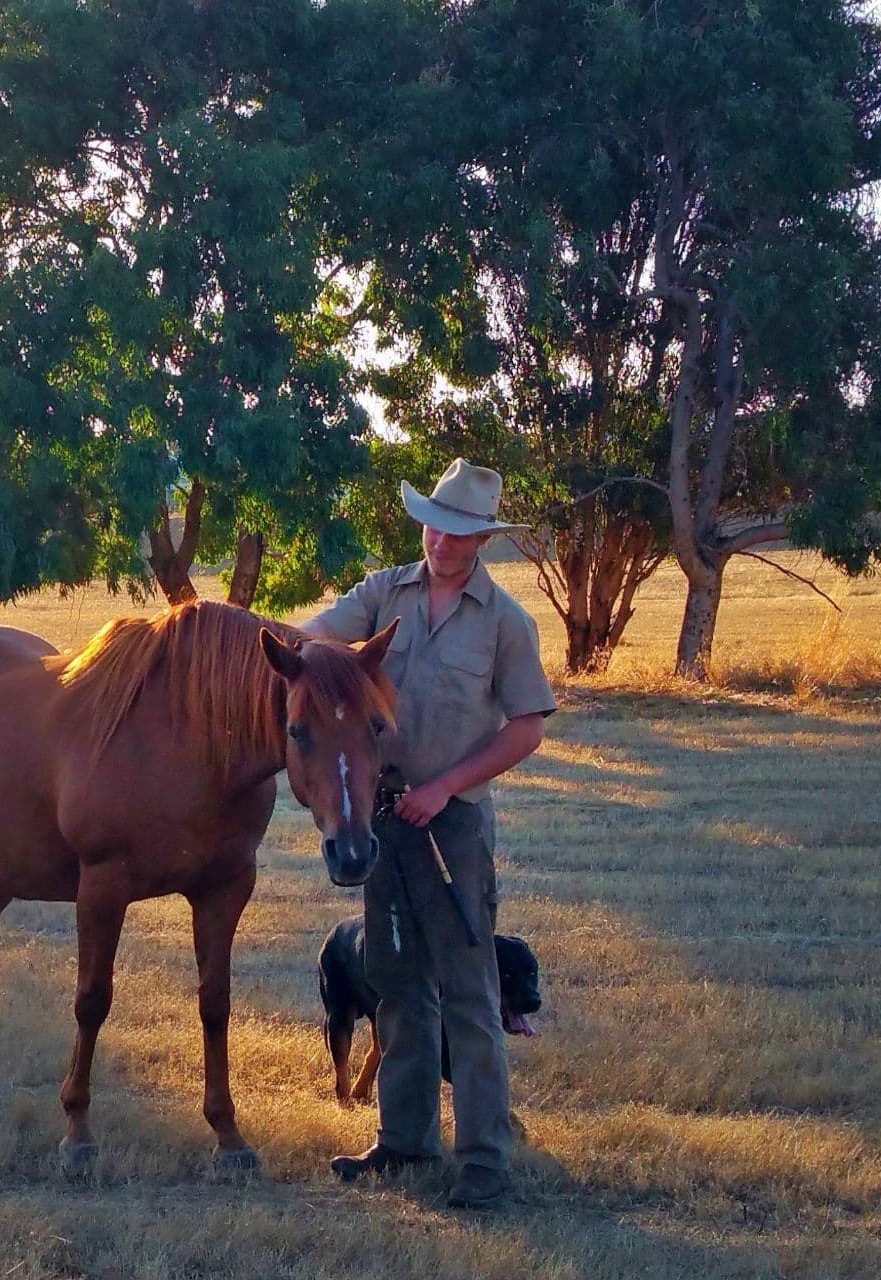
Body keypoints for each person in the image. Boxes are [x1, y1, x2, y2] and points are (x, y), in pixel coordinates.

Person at [302, 457, 555, 1208]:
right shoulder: (383, 592)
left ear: (481, 539)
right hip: (378, 824)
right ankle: (405, 1145)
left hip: (453, 831)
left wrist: (445, 786)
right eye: (435, 524)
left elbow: (528, 728)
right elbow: (312, 636)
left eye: (460, 531)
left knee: (470, 996)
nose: (442, 540)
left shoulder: (506, 622)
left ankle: (484, 1164)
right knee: (396, 988)